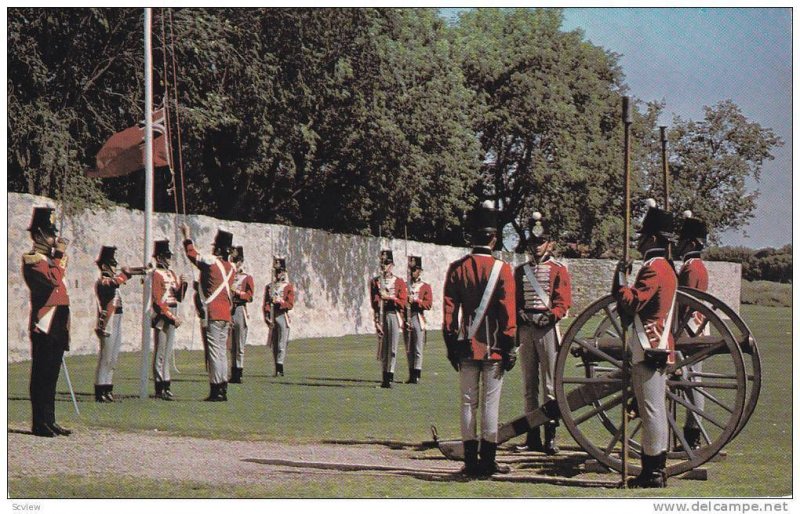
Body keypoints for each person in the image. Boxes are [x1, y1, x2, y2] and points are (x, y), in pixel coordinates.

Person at [443, 200, 517, 477]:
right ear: (494, 237)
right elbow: (508, 314)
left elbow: (449, 312)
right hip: (495, 346)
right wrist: (509, 346)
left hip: (464, 345)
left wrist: (451, 345)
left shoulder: (457, 268)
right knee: (490, 404)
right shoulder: (502, 269)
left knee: (467, 402)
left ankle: (470, 461)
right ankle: (488, 461)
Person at [612, 201, 677, 489]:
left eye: (641, 237)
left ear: (651, 239)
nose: (637, 242)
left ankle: (652, 472)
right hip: (656, 342)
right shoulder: (666, 266)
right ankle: (655, 469)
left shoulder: (653, 268)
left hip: (649, 344)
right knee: (654, 410)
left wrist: (620, 281)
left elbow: (634, 301)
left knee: (651, 411)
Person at [514, 212, 572, 455]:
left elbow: (563, 301)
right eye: (534, 243)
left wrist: (551, 315)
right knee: (529, 385)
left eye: (541, 242)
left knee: (549, 384)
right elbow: (515, 300)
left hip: (547, 328)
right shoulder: (521, 271)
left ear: (550, 244)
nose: (537, 247)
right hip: (527, 328)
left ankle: (550, 435)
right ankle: (532, 436)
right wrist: (521, 314)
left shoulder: (558, 269)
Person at [22, 207, 72, 436]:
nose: (54, 238)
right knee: (41, 373)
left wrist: (57, 258)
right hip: (44, 322)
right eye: (51, 234)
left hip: (58, 322)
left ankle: (50, 419)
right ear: (40, 234)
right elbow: (53, 280)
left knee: (52, 374)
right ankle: (38, 422)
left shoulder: (50, 260)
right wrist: (59, 256)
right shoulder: (33, 259)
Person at [182, 224, 235, 402]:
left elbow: (192, 254)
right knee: (221, 353)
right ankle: (223, 387)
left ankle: (216, 389)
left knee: (214, 352)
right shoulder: (232, 268)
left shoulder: (212, 262)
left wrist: (187, 236)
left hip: (212, 312)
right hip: (226, 313)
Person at [675, 210, 710, 450]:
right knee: (693, 381)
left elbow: (684, 302)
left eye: (682, 240)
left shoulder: (690, 268)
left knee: (691, 382)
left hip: (688, 329)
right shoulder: (695, 265)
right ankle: (691, 433)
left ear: (692, 243)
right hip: (695, 326)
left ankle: (692, 434)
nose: (679, 244)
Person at [94, 245, 139, 402]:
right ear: (105, 266)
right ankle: (100, 390)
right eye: (112, 264)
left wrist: (137, 270)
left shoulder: (112, 280)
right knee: (105, 358)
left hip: (118, 319)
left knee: (113, 358)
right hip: (108, 321)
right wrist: (126, 273)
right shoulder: (103, 281)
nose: (115, 266)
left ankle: (108, 388)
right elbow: (115, 283)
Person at [151, 239, 187, 400]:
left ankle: (167, 383)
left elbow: (178, 297)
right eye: (165, 257)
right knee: (160, 352)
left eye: (168, 256)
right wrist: (172, 317)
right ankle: (160, 386)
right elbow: (157, 300)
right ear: (159, 258)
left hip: (172, 309)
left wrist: (184, 285)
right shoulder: (156, 274)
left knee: (167, 352)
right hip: (163, 314)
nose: (168, 259)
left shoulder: (171, 274)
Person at [371, 250, 408, 389]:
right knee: (383, 348)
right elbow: (374, 303)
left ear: (392, 265)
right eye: (382, 263)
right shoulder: (375, 281)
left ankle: (390, 376)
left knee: (392, 347)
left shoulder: (399, 282)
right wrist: (376, 321)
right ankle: (384, 378)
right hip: (382, 314)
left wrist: (390, 298)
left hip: (393, 314)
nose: (384, 266)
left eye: (386, 263)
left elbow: (403, 302)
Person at [264, 257, 295, 376]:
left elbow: (290, 304)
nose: (278, 274)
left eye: (280, 271)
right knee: (274, 343)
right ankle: (276, 366)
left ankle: (280, 367)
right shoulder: (269, 287)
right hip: (273, 315)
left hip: (282, 314)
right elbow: (266, 303)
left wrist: (280, 302)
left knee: (282, 343)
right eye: (277, 272)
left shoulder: (288, 286)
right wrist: (267, 315)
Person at [404, 256, 432, 384]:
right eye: (411, 269)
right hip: (407, 316)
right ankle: (411, 374)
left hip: (418, 316)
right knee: (409, 347)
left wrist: (415, 301)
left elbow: (428, 304)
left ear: (420, 271)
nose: (412, 272)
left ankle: (417, 374)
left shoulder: (425, 286)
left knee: (418, 348)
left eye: (415, 270)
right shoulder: (405, 286)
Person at [229, 246, 254, 384]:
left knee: (239, 344)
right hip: (229, 309)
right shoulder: (229, 275)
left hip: (240, 309)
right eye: (233, 259)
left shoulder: (246, 277)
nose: (235, 262)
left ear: (241, 261)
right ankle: (233, 371)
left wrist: (238, 293)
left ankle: (239, 371)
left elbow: (250, 296)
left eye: (237, 260)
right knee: (231, 344)